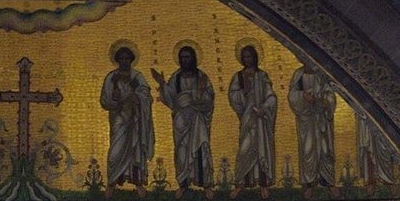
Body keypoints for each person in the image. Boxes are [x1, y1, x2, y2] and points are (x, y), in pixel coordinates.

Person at [154, 44, 215, 190]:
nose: (185, 60)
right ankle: (183, 184)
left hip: (197, 120)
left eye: (187, 57)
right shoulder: (176, 77)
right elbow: (171, 99)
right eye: (182, 58)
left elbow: (209, 99)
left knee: (201, 149)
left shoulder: (201, 77)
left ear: (193, 58)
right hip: (181, 122)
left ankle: (205, 184)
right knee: (181, 152)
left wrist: (195, 96)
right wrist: (162, 84)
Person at [100, 43, 154, 187]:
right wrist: (116, 100)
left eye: (127, 58)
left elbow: (146, 95)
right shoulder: (112, 77)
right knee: (115, 151)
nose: (124, 61)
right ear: (117, 60)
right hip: (118, 118)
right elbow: (105, 100)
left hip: (135, 119)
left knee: (135, 150)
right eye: (122, 58)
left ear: (131, 60)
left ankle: (138, 184)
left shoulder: (137, 77)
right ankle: (112, 182)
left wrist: (137, 97)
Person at [228, 43, 277, 191]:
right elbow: (232, 97)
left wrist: (265, 108)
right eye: (245, 57)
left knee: (262, 147)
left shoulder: (262, 76)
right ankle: (242, 182)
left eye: (250, 56)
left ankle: (263, 184)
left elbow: (271, 96)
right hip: (248, 118)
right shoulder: (238, 77)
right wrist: (244, 91)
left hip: (261, 119)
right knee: (245, 148)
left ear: (255, 57)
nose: (248, 59)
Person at [288, 61, 337, 188]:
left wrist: (326, 101)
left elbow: (330, 93)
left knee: (325, 149)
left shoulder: (322, 74)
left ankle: (328, 181)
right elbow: (292, 95)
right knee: (308, 149)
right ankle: (309, 183)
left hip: (321, 118)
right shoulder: (298, 74)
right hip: (306, 119)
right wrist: (302, 95)